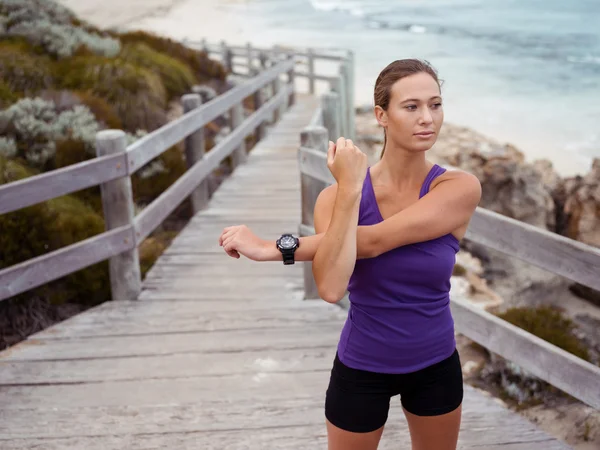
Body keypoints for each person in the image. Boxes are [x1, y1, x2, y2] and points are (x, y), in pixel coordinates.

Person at [218, 59, 482, 450]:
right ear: (382, 115)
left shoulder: (458, 188)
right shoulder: (335, 197)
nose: (427, 118)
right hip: (362, 365)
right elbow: (330, 286)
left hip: (435, 364)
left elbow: (372, 241)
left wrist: (269, 248)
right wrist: (351, 189)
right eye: (411, 107)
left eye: (435, 104)